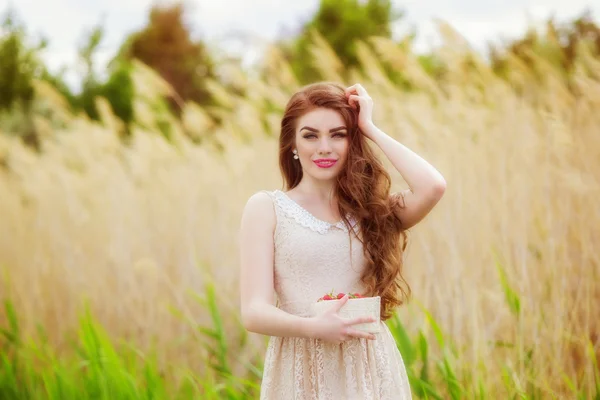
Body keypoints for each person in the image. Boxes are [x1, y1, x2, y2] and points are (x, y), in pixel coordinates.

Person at [239, 82, 446, 399]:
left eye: (338, 134)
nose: (324, 147)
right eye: (310, 135)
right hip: (302, 363)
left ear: (353, 143)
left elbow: (432, 186)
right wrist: (313, 328)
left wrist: (369, 128)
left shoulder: (372, 212)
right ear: (292, 144)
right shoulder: (266, 208)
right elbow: (254, 311)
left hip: (368, 364)